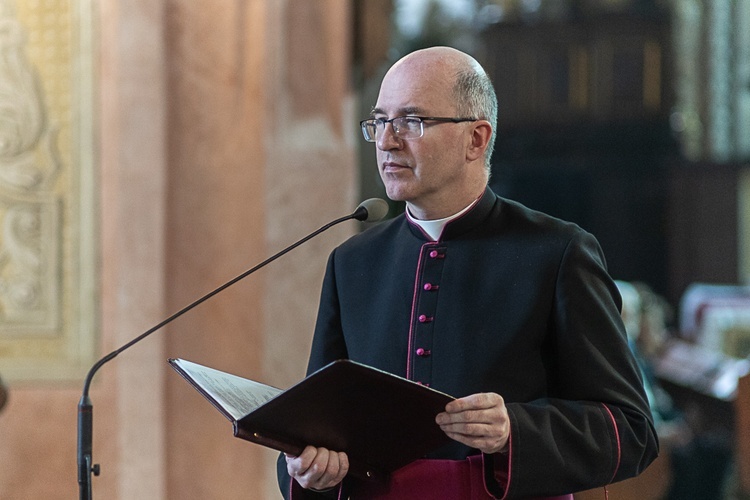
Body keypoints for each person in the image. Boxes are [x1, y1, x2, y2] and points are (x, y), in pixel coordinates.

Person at [277, 46, 658, 499]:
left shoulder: (557, 252)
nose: (387, 141)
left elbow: (631, 430)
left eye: (412, 122)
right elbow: (316, 426)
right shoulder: (353, 262)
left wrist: (513, 431)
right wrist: (306, 469)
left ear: (476, 139)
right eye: (379, 122)